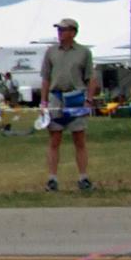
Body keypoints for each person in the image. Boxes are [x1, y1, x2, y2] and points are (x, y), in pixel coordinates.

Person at [40, 18, 97, 192]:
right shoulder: (51, 52)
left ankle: (83, 177)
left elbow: (91, 78)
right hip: (56, 98)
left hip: (76, 97)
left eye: (63, 30)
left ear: (73, 32)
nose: (60, 33)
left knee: (79, 139)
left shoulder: (84, 52)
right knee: (54, 139)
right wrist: (43, 102)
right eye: (58, 30)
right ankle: (52, 178)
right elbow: (46, 78)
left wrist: (89, 99)